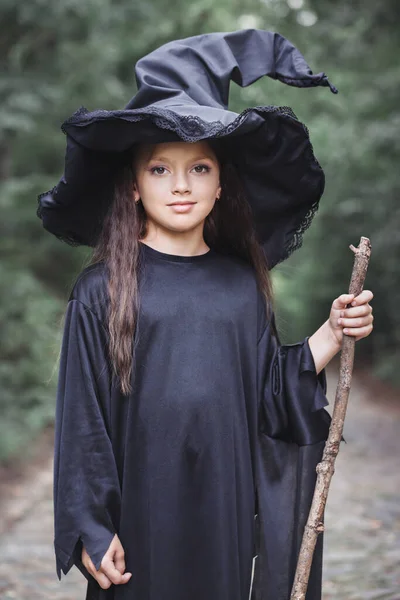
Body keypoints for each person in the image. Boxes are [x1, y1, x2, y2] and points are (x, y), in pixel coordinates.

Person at [38, 30, 373, 600]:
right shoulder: (102, 290)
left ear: (221, 186)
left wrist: (332, 333)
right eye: (160, 170)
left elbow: (269, 394)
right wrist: (93, 528)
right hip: (139, 518)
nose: (181, 185)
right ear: (135, 187)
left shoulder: (241, 286)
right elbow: (82, 422)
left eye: (199, 168)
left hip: (225, 509)